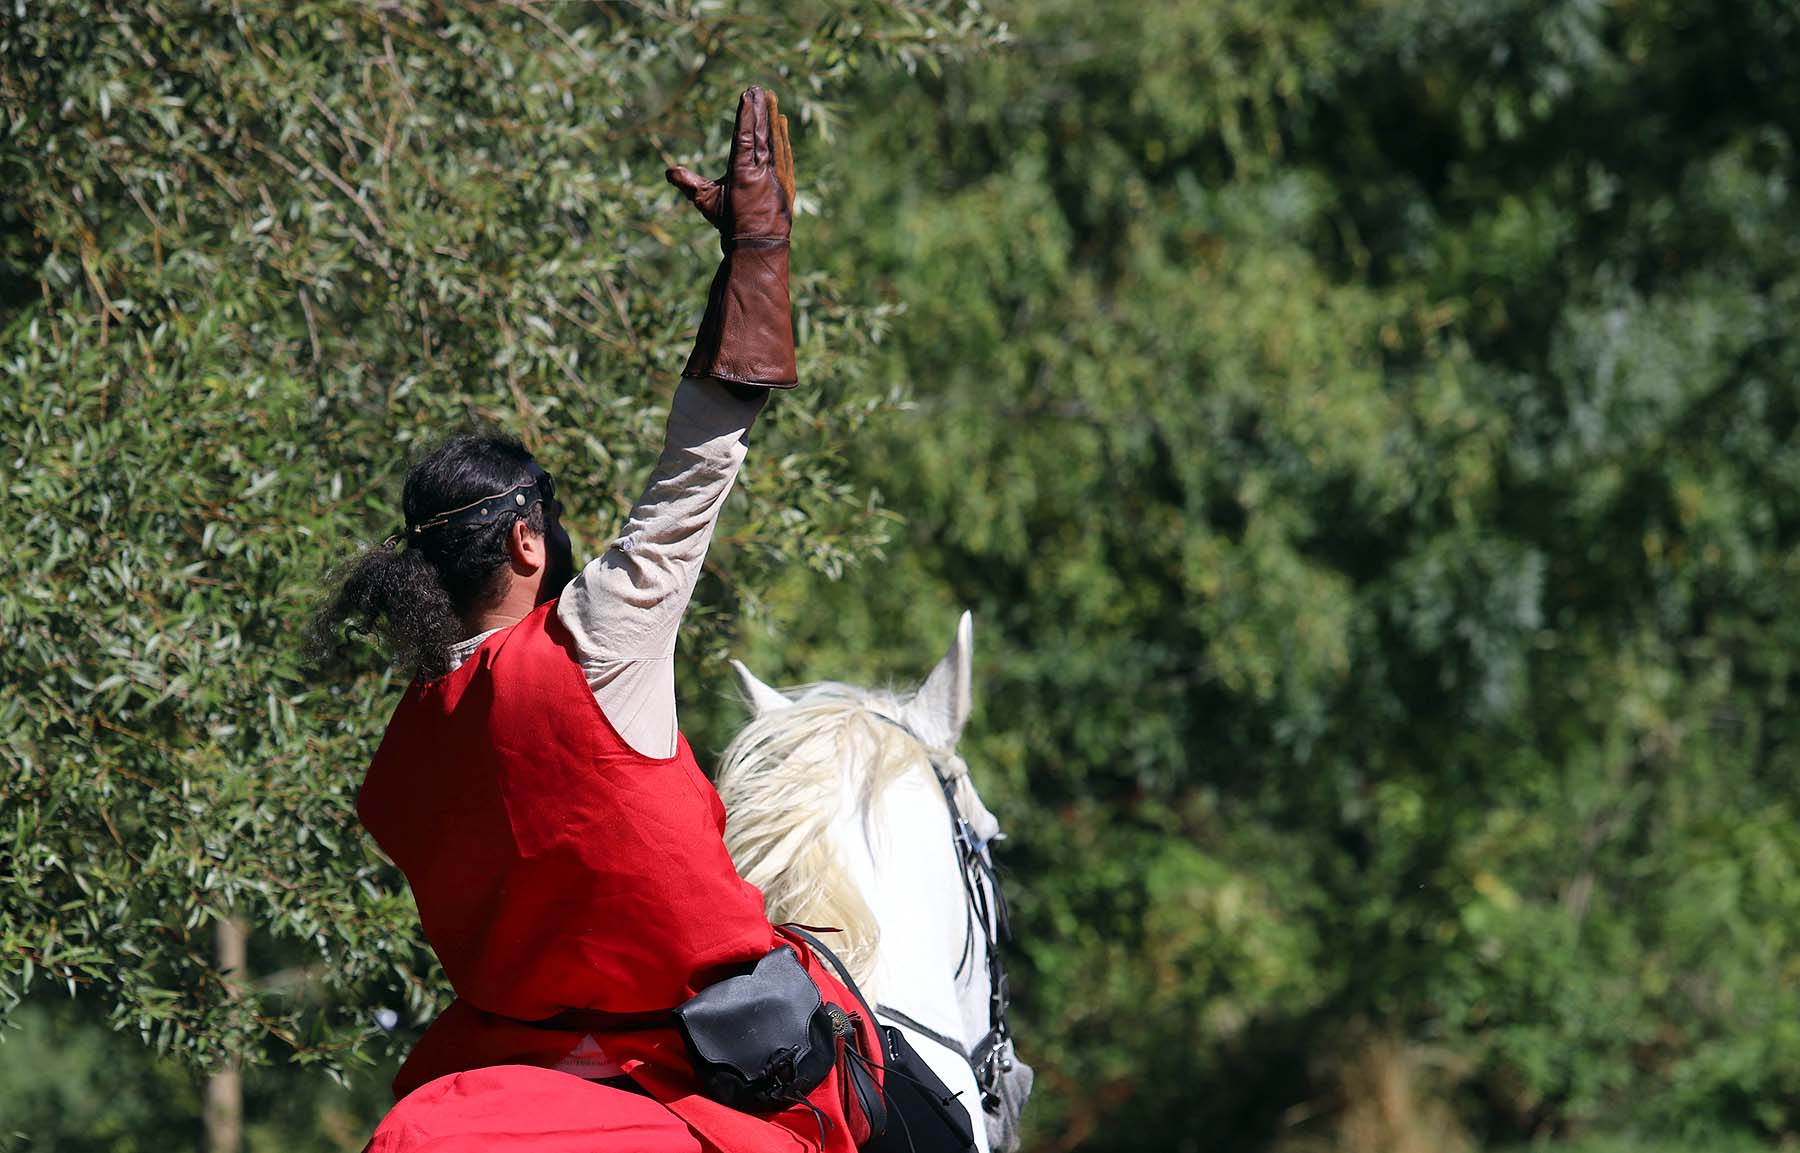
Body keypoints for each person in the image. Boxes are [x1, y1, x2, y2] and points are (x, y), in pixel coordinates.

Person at [311, 87, 881, 1153]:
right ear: (529, 542)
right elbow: (698, 462)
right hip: (675, 1073)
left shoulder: (402, 757)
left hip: (497, 1075)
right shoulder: (596, 639)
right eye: (553, 522)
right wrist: (756, 255)